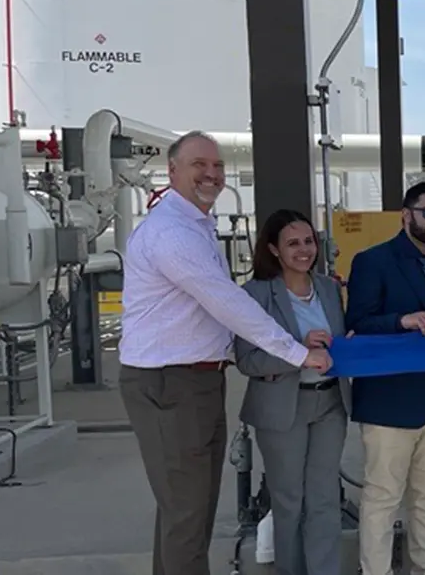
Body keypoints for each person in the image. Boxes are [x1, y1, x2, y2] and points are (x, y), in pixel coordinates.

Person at [119, 131, 329, 575]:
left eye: (217, 166)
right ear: (172, 170)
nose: (211, 174)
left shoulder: (195, 226)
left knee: (184, 510)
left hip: (193, 381)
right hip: (170, 382)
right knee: (187, 515)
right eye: (199, 165)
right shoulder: (173, 233)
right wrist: (295, 353)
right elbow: (226, 302)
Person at [345, 181, 425, 575]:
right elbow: (358, 324)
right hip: (391, 400)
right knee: (383, 495)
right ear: (406, 215)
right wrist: (399, 321)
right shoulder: (373, 261)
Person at [235, 209, 350, 575]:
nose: (304, 250)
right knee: (289, 501)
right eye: (292, 243)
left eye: (308, 241)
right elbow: (248, 361)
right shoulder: (254, 295)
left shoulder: (330, 289)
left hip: (330, 402)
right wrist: (299, 351)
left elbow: (340, 344)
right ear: (273, 250)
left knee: (325, 499)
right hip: (282, 406)